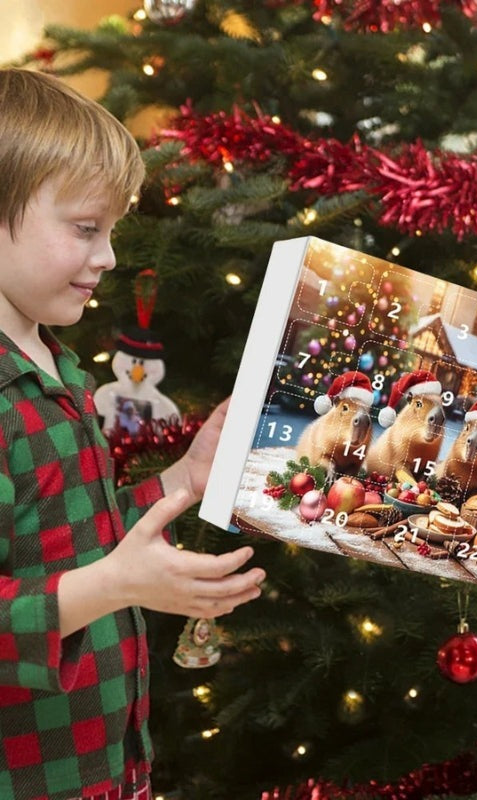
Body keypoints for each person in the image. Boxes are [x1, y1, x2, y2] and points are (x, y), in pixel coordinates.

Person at [0, 68, 265, 800]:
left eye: (111, 231)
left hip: (110, 769)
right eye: (86, 229)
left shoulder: (55, 362)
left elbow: (74, 540)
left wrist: (183, 479)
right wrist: (114, 586)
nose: (109, 256)